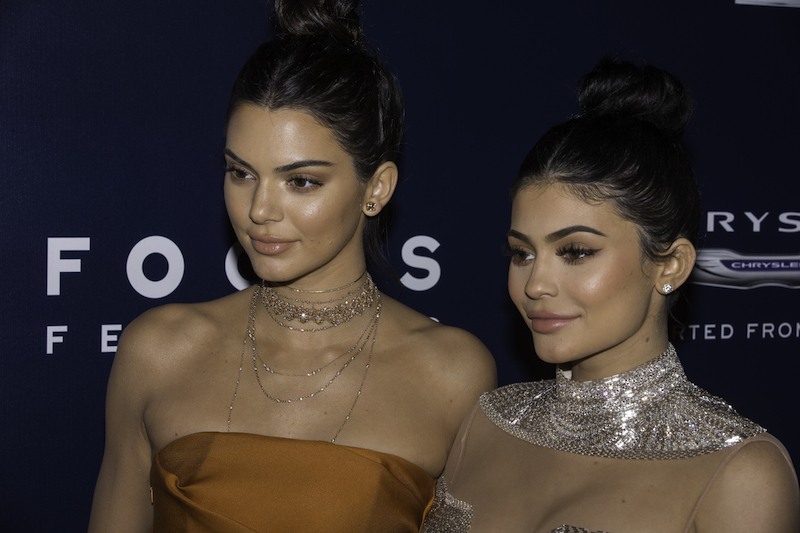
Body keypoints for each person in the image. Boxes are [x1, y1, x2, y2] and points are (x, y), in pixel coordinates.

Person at [88, 1, 496, 531]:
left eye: (300, 181)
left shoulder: (453, 374)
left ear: (377, 188)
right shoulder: (159, 350)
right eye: (240, 173)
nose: (259, 210)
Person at [423, 58, 799, 533]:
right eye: (521, 253)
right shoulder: (487, 421)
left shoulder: (739, 471)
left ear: (670, 265)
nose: (535, 284)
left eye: (576, 252)